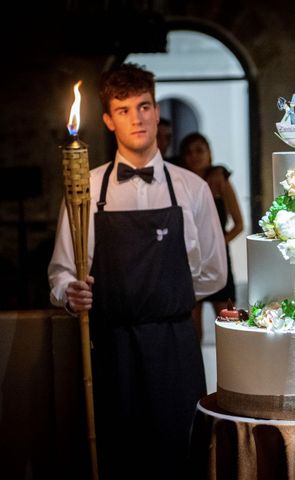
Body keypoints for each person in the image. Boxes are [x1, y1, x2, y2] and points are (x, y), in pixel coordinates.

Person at [48, 63, 227, 479]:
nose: (138, 118)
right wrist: (71, 293)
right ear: (109, 120)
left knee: (182, 458)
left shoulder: (192, 188)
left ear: (155, 109)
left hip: (175, 348)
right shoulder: (86, 191)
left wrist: (165, 297)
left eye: (144, 106)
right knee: (118, 460)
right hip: (112, 350)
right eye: (124, 110)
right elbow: (60, 273)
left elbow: (213, 275)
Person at [179, 132, 244, 341]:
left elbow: (239, 224)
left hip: (217, 256)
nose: (194, 156)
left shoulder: (219, 180)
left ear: (210, 153)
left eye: (200, 150)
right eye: (189, 152)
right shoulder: (179, 182)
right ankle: (195, 371)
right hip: (189, 257)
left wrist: (216, 244)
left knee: (228, 321)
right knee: (192, 327)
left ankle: (235, 370)